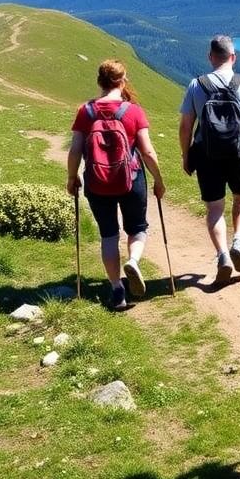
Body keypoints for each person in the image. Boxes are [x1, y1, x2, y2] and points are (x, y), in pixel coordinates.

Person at [67, 59, 165, 311]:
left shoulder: (86, 112)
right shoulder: (133, 111)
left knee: (108, 235)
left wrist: (72, 177)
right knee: (137, 227)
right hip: (131, 180)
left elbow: (75, 150)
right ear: (122, 81)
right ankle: (132, 261)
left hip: (97, 183)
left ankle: (117, 290)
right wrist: (158, 179)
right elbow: (148, 151)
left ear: (99, 82)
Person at [179, 35, 240, 283]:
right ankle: (239, 243)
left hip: (206, 153)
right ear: (233, 57)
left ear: (211, 57)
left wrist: (186, 155)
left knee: (214, 208)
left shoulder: (196, 85)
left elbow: (186, 126)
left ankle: (222, 256)